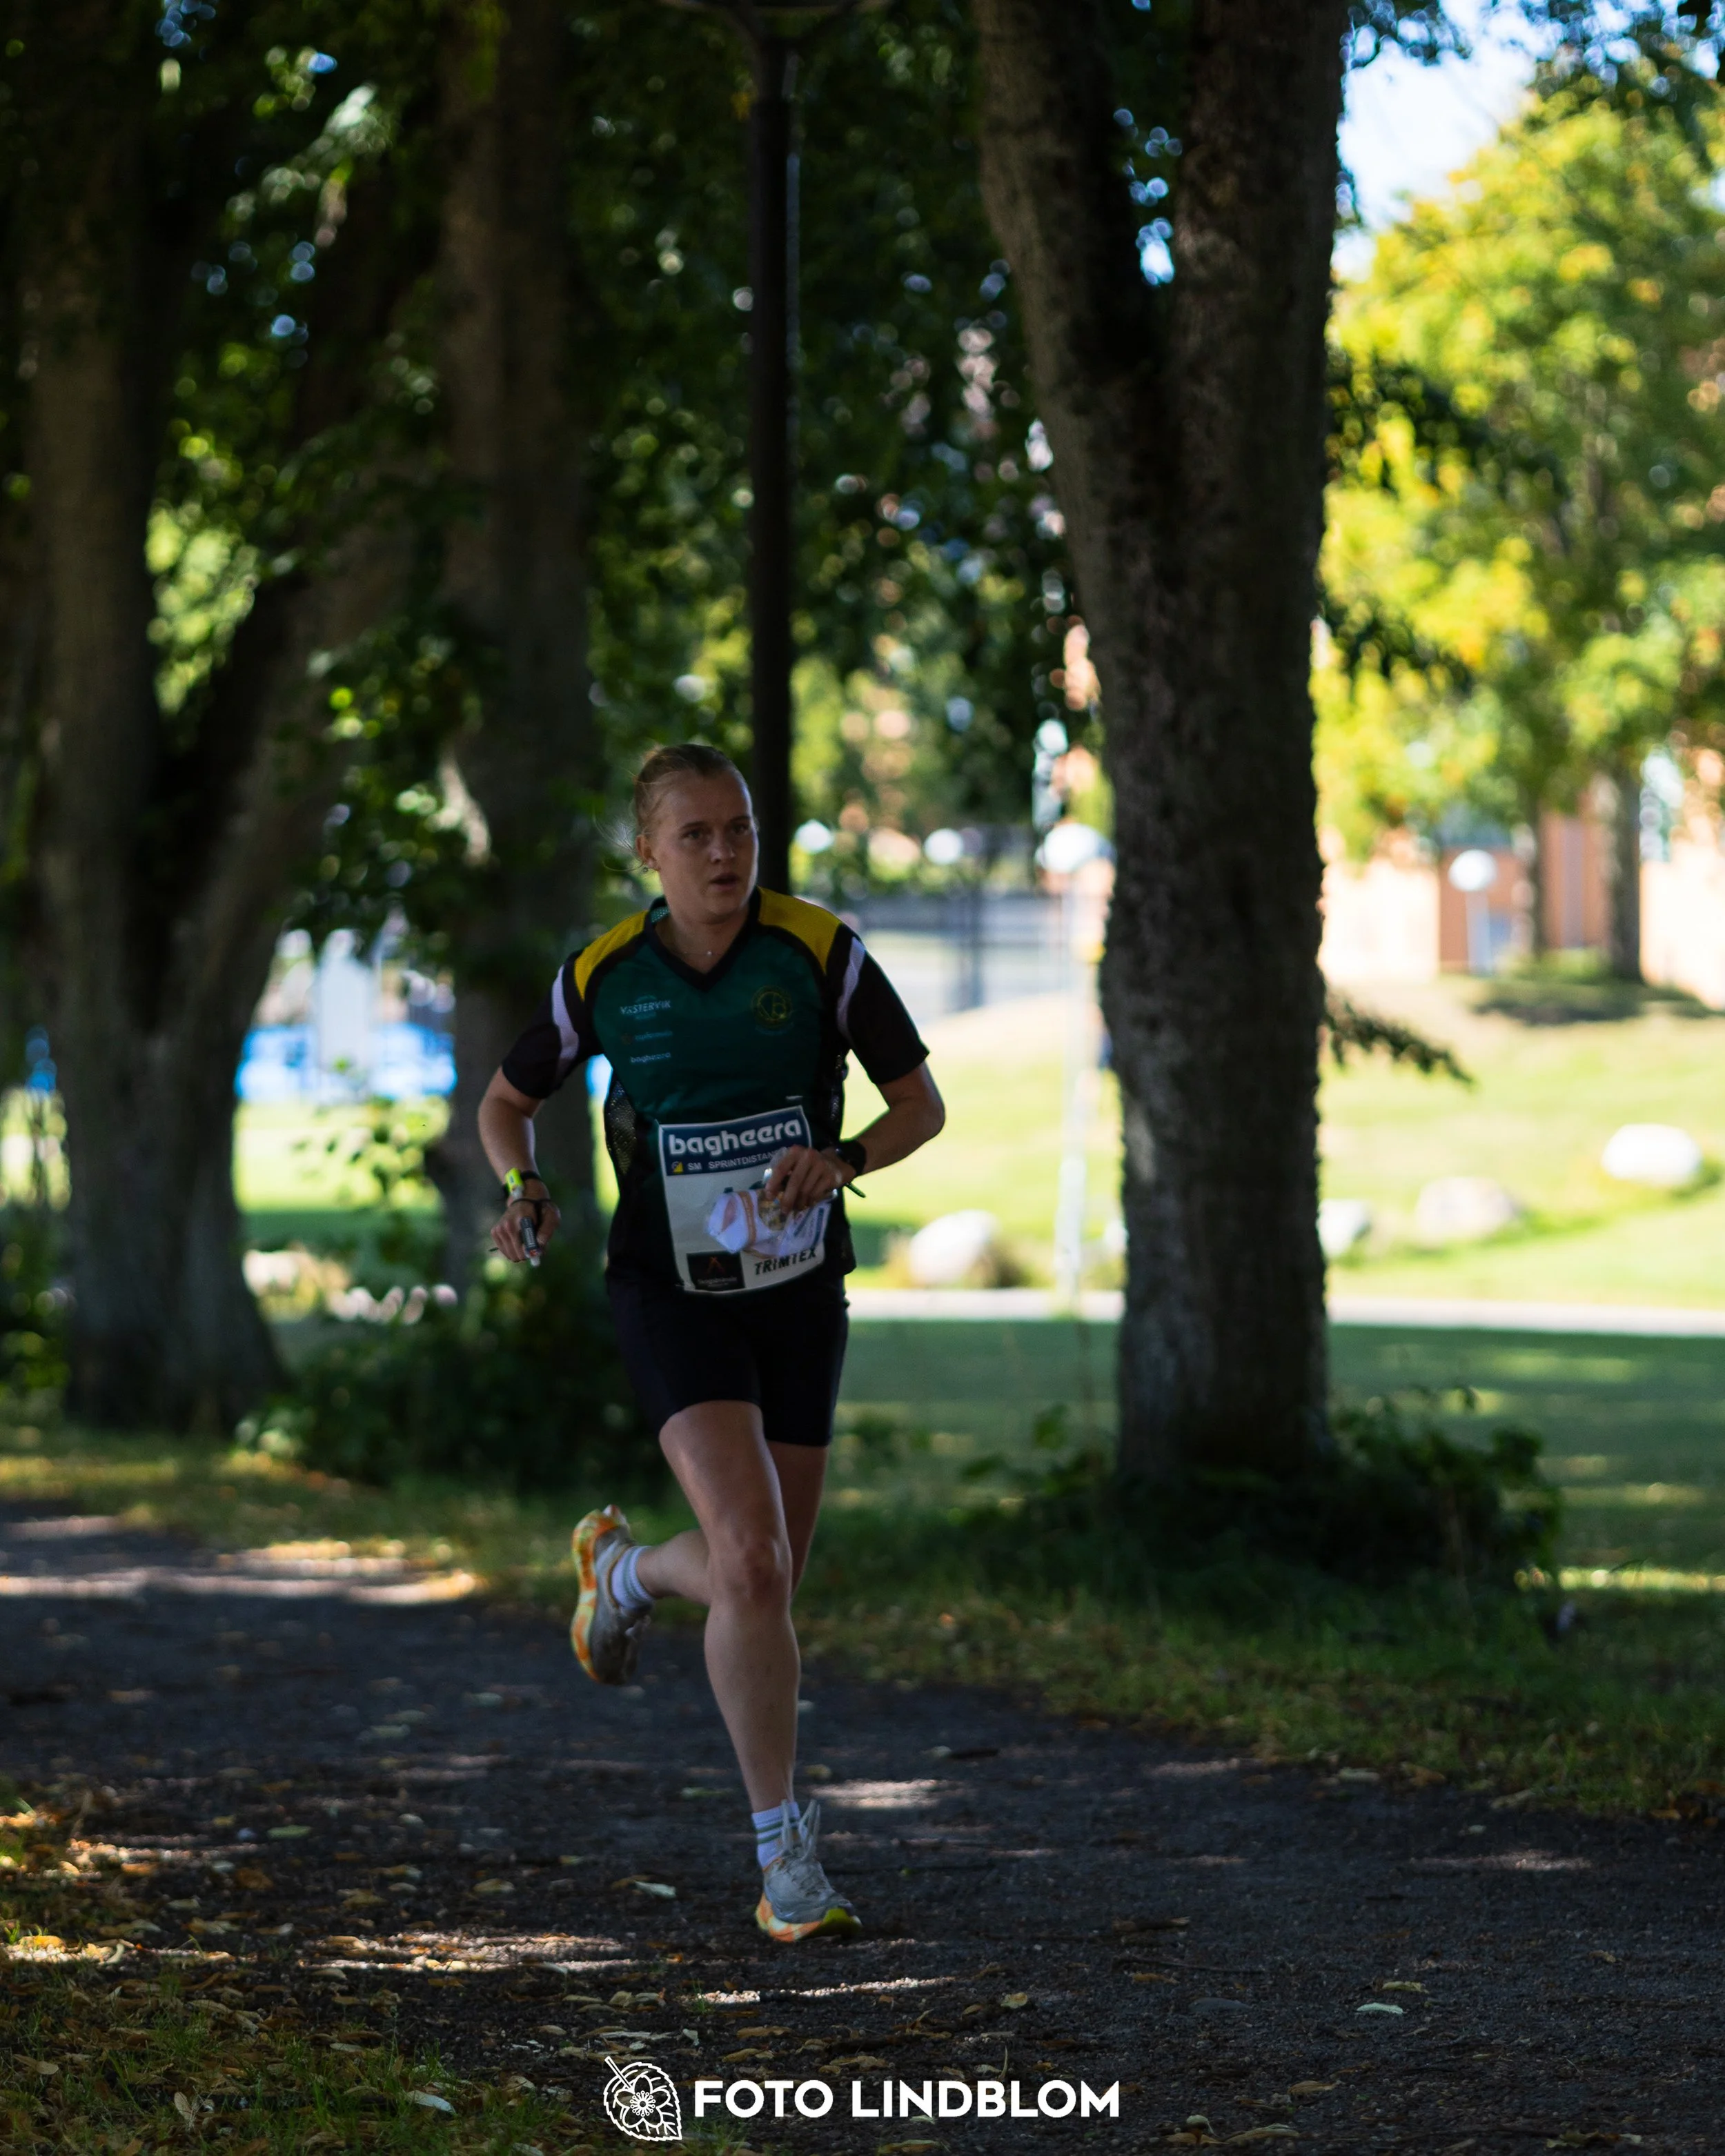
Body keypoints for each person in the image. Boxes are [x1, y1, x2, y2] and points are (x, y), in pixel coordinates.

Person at [477, 743, 945, 1942]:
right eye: (698, 835)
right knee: (748, 1562)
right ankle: (786, 1858)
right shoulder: (605, 976)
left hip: (797, 1289)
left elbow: (919, 1105)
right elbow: (506, 1100)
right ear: (649, 851)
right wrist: (523, 1187)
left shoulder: (822, 951)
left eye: (739, 829)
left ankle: (625, 1575)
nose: (728, 853)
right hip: (669, 1291)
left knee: (769, 1573)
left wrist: (842, 1160)